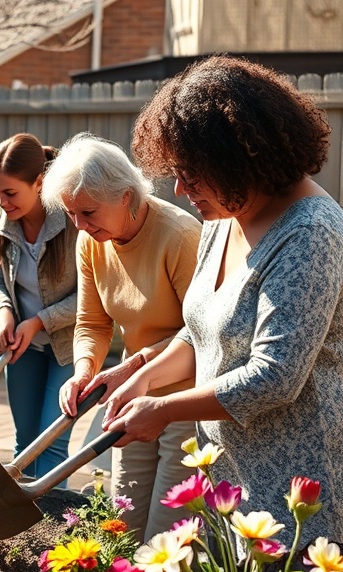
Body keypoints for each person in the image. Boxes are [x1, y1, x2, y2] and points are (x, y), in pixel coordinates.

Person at [103, 55, 343, 540]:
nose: (179, 188)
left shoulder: (311, 233)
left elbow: (275, 377)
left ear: (241, 157)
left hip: (294, 488)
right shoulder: (223, 217)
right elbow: (199, 331)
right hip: (229, 477)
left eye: (192, 173)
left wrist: (166, 410)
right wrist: (143, 378)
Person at [44, 132, 201, 541]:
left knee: (169, 533)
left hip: (184, 396)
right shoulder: (91, 242)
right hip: (132, 392)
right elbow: (92, 322)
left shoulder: (180, 235)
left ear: (126, 195)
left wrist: (132, 365)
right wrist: (84, 372)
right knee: (122, 524)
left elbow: (204, 332)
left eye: (88, 212)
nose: (79, 224)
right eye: (71, 214)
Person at [0, 134, 77, 483]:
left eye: (9, 193)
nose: (0, 202)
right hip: (22, 348)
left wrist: (39, 321)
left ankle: (51, 526)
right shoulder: (0, 218)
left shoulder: (71, 220)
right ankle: (23, 526)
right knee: (25, 446)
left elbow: (93, 297)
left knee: (50, 444)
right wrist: (3, 311)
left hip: (68, 347)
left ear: (39, 183)